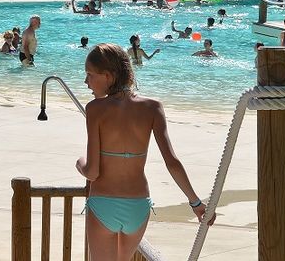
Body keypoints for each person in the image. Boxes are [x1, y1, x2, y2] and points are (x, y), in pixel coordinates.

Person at [77, 44, 212, 260]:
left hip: (104, 203)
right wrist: (195, 202)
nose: (86, 82)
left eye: (90, 75)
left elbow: (92, 172)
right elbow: (172, 162)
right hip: (137, 206)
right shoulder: (153, 107)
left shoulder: (95, 109)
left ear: (108, 76)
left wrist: (80, 163)